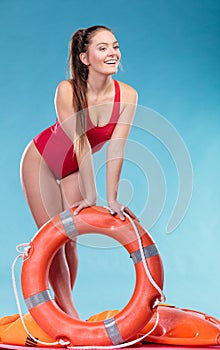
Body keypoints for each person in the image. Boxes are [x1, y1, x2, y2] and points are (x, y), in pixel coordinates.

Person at [20, 25, 138, 318]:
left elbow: (116, 149)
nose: (113, 53)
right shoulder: (67, 89)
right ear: (85, 58)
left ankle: (61, 312)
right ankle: (70, 317)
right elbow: (81, 145)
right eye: (103, 48)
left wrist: (112, 200)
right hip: (43, 163)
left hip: (71, 169)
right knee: (55, 238)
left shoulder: (129, 96)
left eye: (115, 46)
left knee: (71, 242)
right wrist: (92, 194)